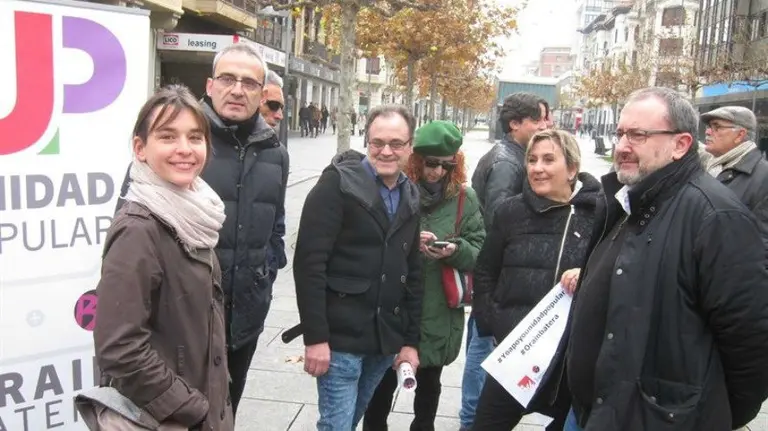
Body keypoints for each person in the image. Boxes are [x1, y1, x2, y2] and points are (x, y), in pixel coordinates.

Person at [566, 87, 768, 430]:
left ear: (681, 144)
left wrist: (702, 412)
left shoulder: (715, 216)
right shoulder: (627, 199)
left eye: (638, 135)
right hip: (602, 412)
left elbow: (751, 340)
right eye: (620, 133)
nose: (622, 146)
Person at [118, 42, 289, 417]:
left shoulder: (275, 153)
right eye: (227, 79)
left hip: (244, 318)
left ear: (262, 93)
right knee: (183, 415)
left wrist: (265, 273)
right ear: (210, 85)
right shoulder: (180, 146)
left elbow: (276, 224)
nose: (237, 90)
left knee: (226, 413)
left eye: (249, 82)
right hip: (184, 329)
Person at [94, 85, 232, 430]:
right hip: (170, 418)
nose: (184, 149)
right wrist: (192, 408)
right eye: (168, 136)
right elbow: (120, 349)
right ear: (140, 148)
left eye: (195, 137)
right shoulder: (139, 229)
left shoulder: (195, 212)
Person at [293, 104, 423, 431]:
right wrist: (315, 337)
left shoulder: (410, 194)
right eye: (377, 142)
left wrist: (410, 341)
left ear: (410, 147)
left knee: (347, 424)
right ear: (366, 141)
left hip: (383, 341)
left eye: (396, 143)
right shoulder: (337, 185)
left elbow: (413, 272)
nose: (386, 151)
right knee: (336, 426)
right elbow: (309, 264)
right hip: (340, 341)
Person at [472, 129, 600, 431]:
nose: (537, 168)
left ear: (572, 168)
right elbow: (486, 271)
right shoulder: (511, 212)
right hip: (517, 353)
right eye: (532, 160)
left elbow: (614, 272)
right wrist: (493, 322)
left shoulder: (600, 214)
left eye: (548, 159)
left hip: (570, 359)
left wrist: (587, 275)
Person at [363, 121, 486, 431]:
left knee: (429, 388)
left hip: (438, 308)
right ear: (416, 159)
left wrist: (454, 250)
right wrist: (406, 243)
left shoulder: (465, 199)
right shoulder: (392, 190)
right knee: (380, 388)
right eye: (431, 163)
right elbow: (365, 244)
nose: (438, 172)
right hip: (393, 304)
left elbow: (479, 250)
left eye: (447, 165)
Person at [460, 91, 547, 431]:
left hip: (495, 272)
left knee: (482, 342)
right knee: (483, 347)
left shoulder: (512, 157)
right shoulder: (507, 163)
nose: (544, 125)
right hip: (496, 274)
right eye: (537, 119)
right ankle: (472, 421)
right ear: (515, 124)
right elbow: (501, 221)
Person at [700, 106, 768, 245]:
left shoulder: (763, 177)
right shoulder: (708, 166)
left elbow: (762, 242)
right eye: (709, 126)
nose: (707, 132)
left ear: (740, 135)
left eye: (717, 127)